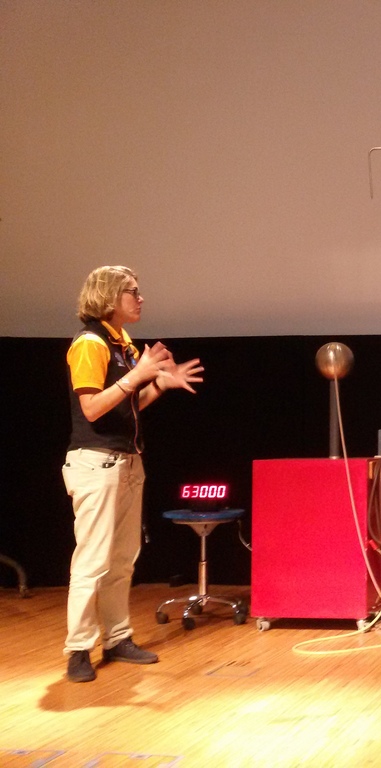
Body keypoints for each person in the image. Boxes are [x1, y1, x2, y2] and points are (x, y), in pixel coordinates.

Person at [63, 266, 203, 683]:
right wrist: (138, 376)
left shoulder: (121, 343)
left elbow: (128, 404)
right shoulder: (90, 343)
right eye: (132, 292)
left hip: (127, 462)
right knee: (92, 560)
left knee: (123, 559)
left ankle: (117, 637)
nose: (140, 299)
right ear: (109, 297)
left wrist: (159, 385)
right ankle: (78, 648)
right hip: (96, 463)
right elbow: (92, 408)